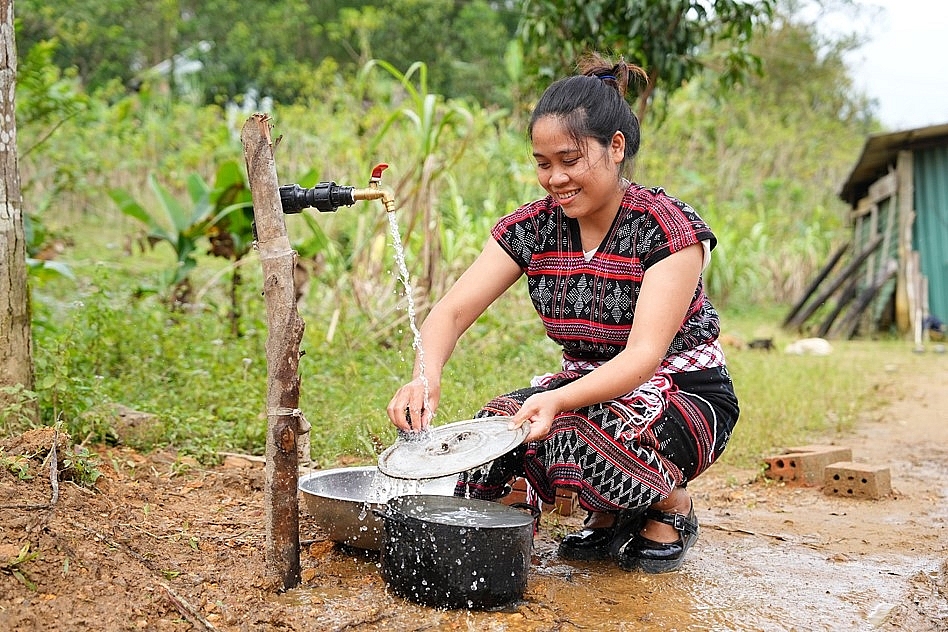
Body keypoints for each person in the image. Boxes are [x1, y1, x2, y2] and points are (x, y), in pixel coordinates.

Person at [387, 52, 739, 574]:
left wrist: (556, 400)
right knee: (494, 428)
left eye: (570, 161)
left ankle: (669, 505)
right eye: (542, 163)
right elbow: (452, 311)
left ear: (615, 148)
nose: (555, 179)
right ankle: (527, 528)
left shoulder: (667, 229)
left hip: (683, 396)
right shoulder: (533, 228)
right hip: (588, 386)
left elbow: (643, 358)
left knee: (575, 436)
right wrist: (424, 377)